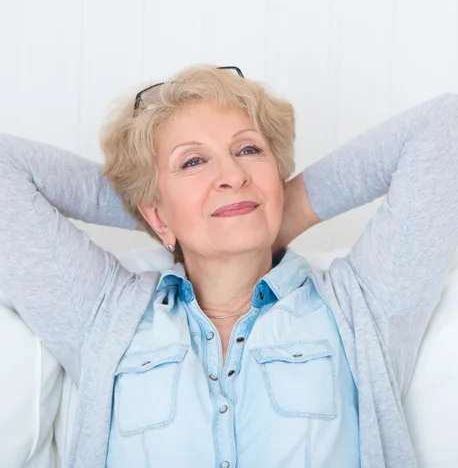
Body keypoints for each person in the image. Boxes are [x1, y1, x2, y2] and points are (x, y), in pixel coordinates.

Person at [0, 64, 457, 468]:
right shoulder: (105, 316)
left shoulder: (363, 308)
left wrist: (283, 209)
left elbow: (445, 128)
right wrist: (166, 216)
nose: (233, 175)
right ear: (156, 212)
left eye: (249, 151)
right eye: (194, 161)